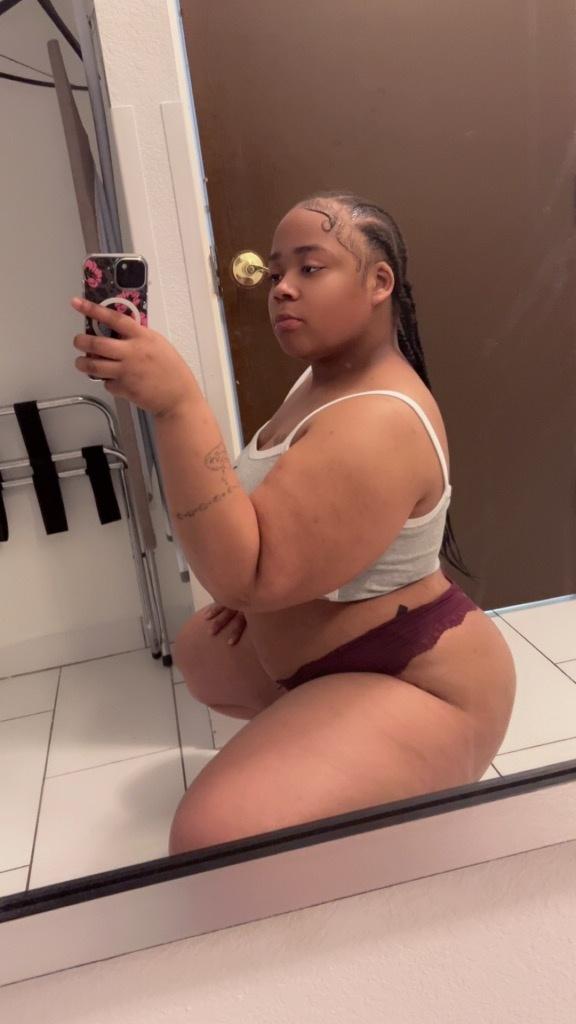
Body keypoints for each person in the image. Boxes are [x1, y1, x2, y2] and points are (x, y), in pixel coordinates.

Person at [71, 191, 516, 856]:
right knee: (201, 650)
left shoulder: (380, 420)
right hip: (336, 659)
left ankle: (396, 766)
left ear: (379, 282)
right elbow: (270, 523)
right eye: (276, 271)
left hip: (418, 680)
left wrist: (177, 404)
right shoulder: (320, 381)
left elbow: (247, 575)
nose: (281, 287)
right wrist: (259, 593)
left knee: (209, 838)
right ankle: (325, 746)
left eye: (310, 268)